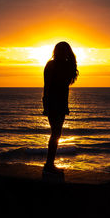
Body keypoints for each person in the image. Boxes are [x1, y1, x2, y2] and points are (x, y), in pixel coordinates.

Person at [42, 41, 78, 173]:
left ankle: (49, 164)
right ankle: (49, 165)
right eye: (63, 51)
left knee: (56, 133)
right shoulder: (51, 65)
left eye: (65, 51)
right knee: (55, 133)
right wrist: (45, 104)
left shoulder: (66, 66)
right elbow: (47, 86)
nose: (64, 53)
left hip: (61, 103)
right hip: (53, 102)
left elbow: (64, 87)